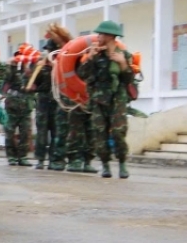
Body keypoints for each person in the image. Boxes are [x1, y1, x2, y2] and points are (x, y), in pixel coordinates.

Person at [77, 20, 136, 178]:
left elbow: (129, 79)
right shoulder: (96, 54)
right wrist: (90, 58)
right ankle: (105, 165)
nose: (99, 36)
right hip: (98, 100)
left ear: (110, 36)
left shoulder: (125, 55)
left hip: (117, 99)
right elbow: (82, 74)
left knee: (118, 133)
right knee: (99, 133)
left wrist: (122, 63)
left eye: (101, 34)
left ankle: (122, 164)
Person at [29, 24, 70, 171]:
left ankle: (54, 159)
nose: (49, 52)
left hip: (58, 100)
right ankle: (40, 159)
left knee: (57, 131)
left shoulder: (62, 61)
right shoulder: (41, 63)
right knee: (41, 132)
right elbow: (31, 83)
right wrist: (38, 67)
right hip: (43, 100)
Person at [2, 46, 35, 166]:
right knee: (10, 131)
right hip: (12, 104)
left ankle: (23, 157)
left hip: (26, 105)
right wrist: (10, 65)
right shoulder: (12, 69)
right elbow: (5, 79)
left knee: (25, 132)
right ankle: (11, 156)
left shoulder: (33, 69)